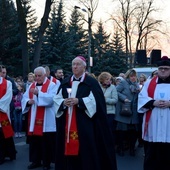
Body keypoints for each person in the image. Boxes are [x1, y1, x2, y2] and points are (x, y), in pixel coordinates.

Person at [53, 56, 117, 170]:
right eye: (73, 64)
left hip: (85, 123)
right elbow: (56, 99)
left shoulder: (91, 82)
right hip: (67, 122)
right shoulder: (66, 82)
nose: (75, 67)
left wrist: (79, 101)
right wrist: (63, 102)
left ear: (84, 67)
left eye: (78, 64)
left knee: (86, 150)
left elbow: (96, 102)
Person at [21, 66, 59, 170]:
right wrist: (28, 102)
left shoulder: (52, 85)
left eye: (39, 76)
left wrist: (39, 94)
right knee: (35, 141)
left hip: (47, 119)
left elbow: (52, 100)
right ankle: (35, 161)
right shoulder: (32, 86)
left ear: (45, 75)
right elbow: (24, 98)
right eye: (36, 76)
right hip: (34, 117)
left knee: (46, 142)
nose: (37, 78)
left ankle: (46, 163)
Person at [138, 56, 170, 170]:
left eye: (166, 68)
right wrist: (153, 102)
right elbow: (141, 98)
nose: (163, 70)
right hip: (153, 126)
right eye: (161, 68)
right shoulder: (149, 83)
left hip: (168, 126)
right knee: (152, 156)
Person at [115, 69, 140, 157]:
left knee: (133, 132)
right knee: (122, 132)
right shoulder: (123, 83)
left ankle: (132, 149)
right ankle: (121, 149)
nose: (133, 78)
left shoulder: (137, 85)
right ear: (128, 76)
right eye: (131, 76)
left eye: (134, 76)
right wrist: (124, 98)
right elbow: (116, 91)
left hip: (134, 112)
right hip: (124, 110)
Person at [0, 65, 16, 165]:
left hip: (2, 112)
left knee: (3, 134)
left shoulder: (8, 83)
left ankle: (4, 155)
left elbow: (8, 96)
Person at [98, 72, 118, 142]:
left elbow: (115, 100)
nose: (109, 81)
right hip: (100, 112)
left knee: (109, 130)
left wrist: (105, 100)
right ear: (102, 80)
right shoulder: (98, 86)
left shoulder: (113, 87)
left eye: (109, 79)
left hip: (110, 112)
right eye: (107, 79)